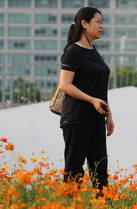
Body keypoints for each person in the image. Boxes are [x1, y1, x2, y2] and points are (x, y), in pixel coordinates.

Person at [58, 7, 114, 193]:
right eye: (98, 21)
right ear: (84, 23)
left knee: (100, 170)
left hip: (96, 119)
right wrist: (91, 100)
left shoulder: (94, 52)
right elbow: (65, 85)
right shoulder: (73, 51)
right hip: (77, 119)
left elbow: (98, 87)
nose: (101, 26)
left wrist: (109, 115)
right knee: (74, 170)